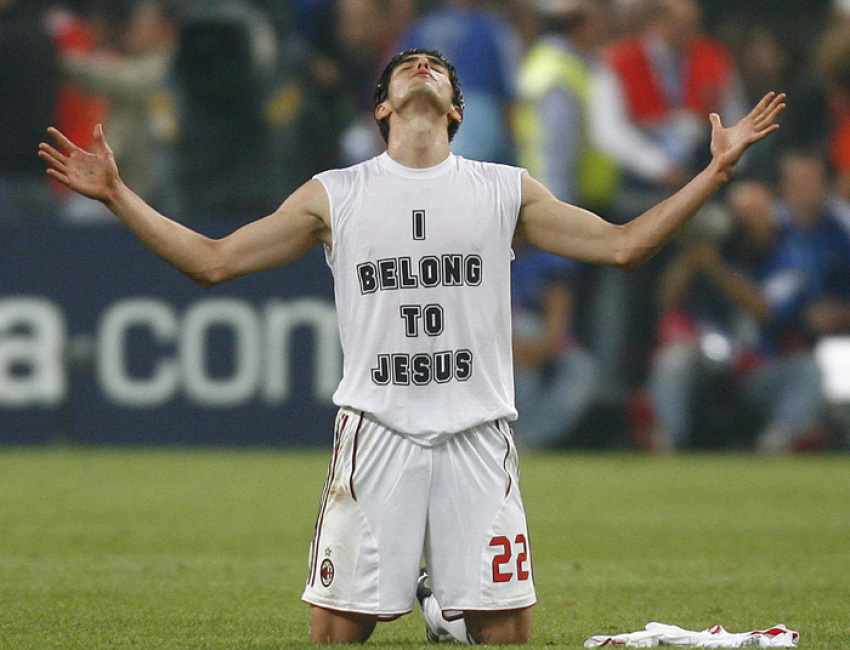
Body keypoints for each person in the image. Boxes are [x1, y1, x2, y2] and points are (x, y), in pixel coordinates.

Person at [39, 48, 784, 645]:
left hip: (476, 435)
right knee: (334, 633)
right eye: (408, 65)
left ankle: (448, 611)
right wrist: (118, 196)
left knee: (507, 632)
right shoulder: (335, 193)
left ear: (456, 111)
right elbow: (213, 260)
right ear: (384, 107)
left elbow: (624, 247)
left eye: (438, 68)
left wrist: (715, 172)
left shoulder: (502, 189)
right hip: (378, 432)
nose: (423, 64)